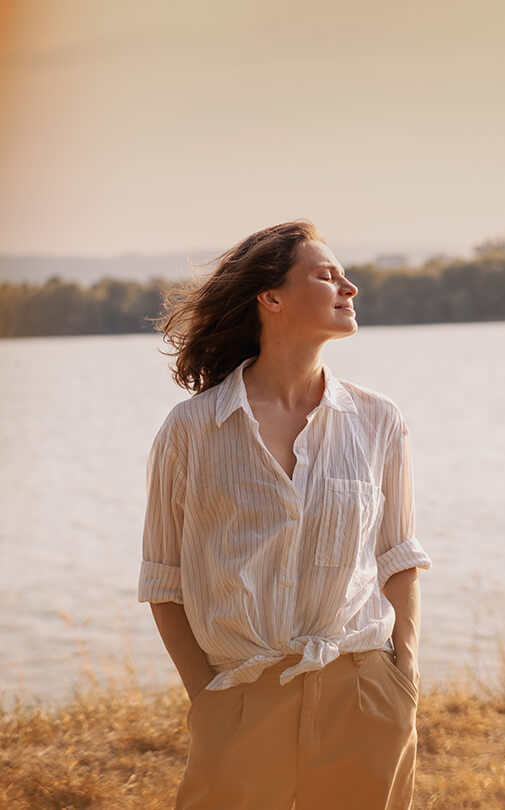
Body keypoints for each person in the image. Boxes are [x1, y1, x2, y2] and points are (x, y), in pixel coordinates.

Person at [138, 220, 432, 810]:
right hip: (242, 698)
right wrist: (211, 700)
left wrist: (404, 675)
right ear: (270, 298)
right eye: (326, 276)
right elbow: (164, 581)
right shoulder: (192, 431)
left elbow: (397, 556)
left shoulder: (378, 420)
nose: (349, 287)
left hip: (364, 694)